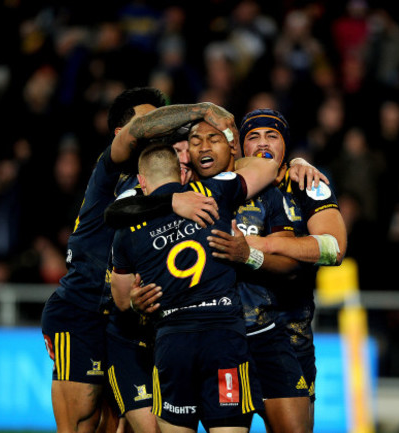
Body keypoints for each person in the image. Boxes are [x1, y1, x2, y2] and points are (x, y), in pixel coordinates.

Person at [40, 87, 240, 433]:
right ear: (123, 133)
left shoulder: (180, 176)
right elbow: (118, 214)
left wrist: (292, 162)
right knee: (83, 420)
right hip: (83, 307)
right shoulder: (112, 168)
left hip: (138, 323)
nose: (159, 129)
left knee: (124, 426)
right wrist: (202, 108)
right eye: (149, 122)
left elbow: (241, 172)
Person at [109, 128, 279, 433]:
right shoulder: (212, 191)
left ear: (142, 182)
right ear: (181, 173)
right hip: (223, 335)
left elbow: (122, 300)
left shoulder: (126, 232)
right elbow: (268, 166)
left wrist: (135, 301)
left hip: (173, 342)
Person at [238, 108, 348, 431]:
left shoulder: (308, 183)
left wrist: (265, 244)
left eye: (271, 135)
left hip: (293, 330)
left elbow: (334, 248)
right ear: (241, 148)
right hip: (236, 333)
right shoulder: (227, 185)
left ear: (285, 145)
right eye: (253, 137)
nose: (262, 144)